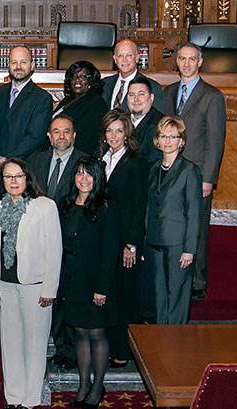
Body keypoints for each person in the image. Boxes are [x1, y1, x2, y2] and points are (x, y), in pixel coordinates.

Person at [0, 158, 62, 409]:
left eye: (18, 176)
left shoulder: (45, 206)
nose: (13, 181)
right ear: (2, 181)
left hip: (35, 285)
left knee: (35, 343)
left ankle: (30, 399)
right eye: (8, 177)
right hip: (5, 284)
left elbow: (55, 250)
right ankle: (13, 396)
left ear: (27, 178)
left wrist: (49, 288)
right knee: (11, 343)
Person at [163, 42, 226, 302]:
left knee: (196, 227)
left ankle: (198, 281)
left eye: (192, 59)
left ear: (200, 62)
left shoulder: (212, 96)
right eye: (182, 59)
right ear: (176, 62)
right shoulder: (168, 93)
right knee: (172, 224)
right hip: (170, 171)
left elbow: (216, 140)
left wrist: (209, 178)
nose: (186, 64)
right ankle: (172, 273)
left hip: (198, 173)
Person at [60, 156, 120, 409]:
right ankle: (83, 385)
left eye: (89, 174)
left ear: (97, 178)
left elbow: (110, 251)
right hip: (72, 277)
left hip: (96, 278)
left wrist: (102, 288)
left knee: (96, 332)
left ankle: (98, 387)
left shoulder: (106, 206)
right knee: (80, 333)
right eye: (79, 174)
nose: (84, 179)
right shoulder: (65, 205)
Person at [29, 114, 86, 370]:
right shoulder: (37, 161)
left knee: (65, 295)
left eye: (66, 131)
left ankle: (67, 349)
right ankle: (42, 344)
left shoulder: (84, 163)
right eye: (56, 131)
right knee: (43, 294)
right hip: (39, 241)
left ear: (74, 136)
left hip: (71, 240)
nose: (61, 136)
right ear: (49, 136)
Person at [98, 109, 148, 369]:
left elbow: (139, 206)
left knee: (125, 295)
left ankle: (123, 349)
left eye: (119, 130)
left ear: (127, 133)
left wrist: (132, 243)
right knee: (108, 292)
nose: (113, 135)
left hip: (125, 239)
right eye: (109, 130)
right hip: (105, 236)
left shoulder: (136, 161)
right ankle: (107, 344)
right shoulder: (101, 158)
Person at [145, 117, 202, 324]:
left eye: (173, 136)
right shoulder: (152, 169)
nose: (167, 140)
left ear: (181, 141)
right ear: (157, 140)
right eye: (163, 136)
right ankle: (161, 343)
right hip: (154, 241)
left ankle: (176, 346)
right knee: (159, 296)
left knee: (176, 297)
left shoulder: (189, 170)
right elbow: (148, 208)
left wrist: (190, 249)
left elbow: (194, 212)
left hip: (178, 244)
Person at [0, 46, 53, 184]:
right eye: (14, 62)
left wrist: (8, 161)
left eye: (23, 62)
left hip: (25, 171)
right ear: (8, 66)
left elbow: (35, 137)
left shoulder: (42, 98)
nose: (18, 66)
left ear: (32, 66)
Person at [53, 61, 108, 156]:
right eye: (74, 76)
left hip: (75, 158)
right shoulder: (67, 100)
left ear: (92, 80)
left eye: (83, 77)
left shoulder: (96, 103)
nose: (77, 80)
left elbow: (86, 141)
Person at [101, 39, 165, 113]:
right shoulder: (104, 85)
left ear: (137, 58)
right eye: (120, 56)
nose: (124, 60)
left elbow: (157, 120)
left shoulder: (153, 87)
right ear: (115, 59)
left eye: (129, 55)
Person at [126, 77, 164, 164]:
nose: (136, 99)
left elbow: (154, 163)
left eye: (141, 94)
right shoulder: (123, 121)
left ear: (151, 98)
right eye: (131, 95)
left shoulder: (159, 125)